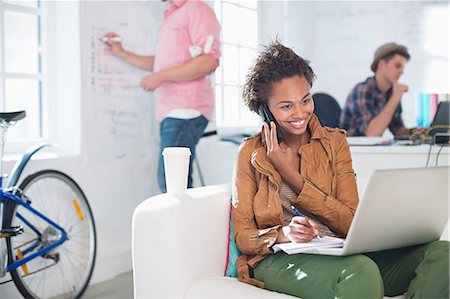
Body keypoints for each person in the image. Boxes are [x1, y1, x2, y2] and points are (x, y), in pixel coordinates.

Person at [233, 40, 449, 298]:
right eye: (286, 106)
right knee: (360, 270)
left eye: (305, 100)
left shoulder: (334, 143)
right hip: (276, 259)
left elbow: (349, 221)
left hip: (338, 250)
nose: (300, 113)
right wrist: (284, 234)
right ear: (264, 110)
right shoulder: (250, 152)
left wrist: (290, 174)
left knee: (441, 254)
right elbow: (243, 236)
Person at [104, 0, 220, 192]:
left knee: (172, 184)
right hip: (174, 111)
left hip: (186, 110)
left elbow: (209, 61)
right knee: (175, 184)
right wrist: (122, 53)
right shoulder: (173, 14)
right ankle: (189, 223)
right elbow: (162, 64)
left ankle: (188, 223)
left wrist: (161, 76)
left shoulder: (197, 10)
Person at [340, 42, 423, 137]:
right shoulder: (362, 90)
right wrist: (396, 97)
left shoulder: (391, 93)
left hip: (372, 149)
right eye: (397, 66)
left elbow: (397, 130)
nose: (402, 71)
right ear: (382, 64)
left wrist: (416, 132)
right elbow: (372, 133)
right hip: (352, 150)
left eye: (403, 67)